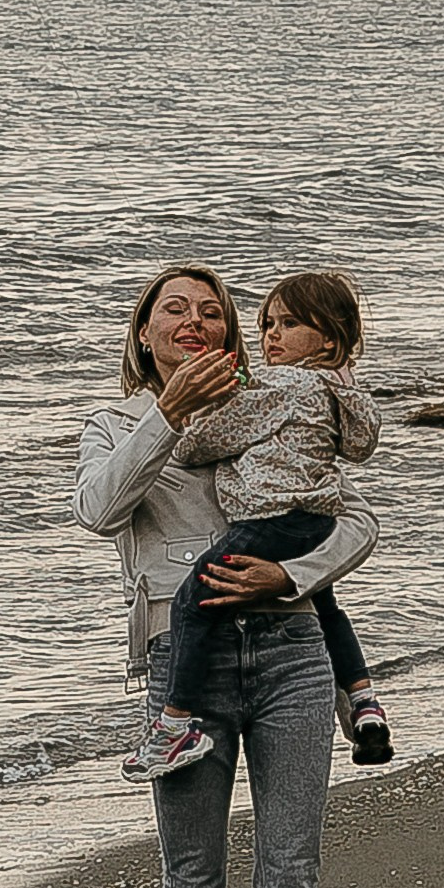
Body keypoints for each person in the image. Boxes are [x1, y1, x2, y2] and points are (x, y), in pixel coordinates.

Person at [75, 267, 379, 888]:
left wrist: (292, 574)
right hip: (186, 664)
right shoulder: (118, 425)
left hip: (289, 650)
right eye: (177, 309)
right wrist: (168, 414)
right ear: (144, 333)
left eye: (214, 312)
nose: (196, 320)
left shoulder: (276, 402)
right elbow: (98, 508)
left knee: (289, 878)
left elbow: (353, 516)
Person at [135, 269, 393, 779]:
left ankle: (174, 722)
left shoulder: (279, 384)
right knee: (327, 607)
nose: (272, 335)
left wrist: (189, 413)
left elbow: (195, 447)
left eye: (289, 323)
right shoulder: (339, 388)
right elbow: (361, 446)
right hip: (314, 519)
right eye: (268, 323)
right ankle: (363, 701)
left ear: (329, 336)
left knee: (194, 599)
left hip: (269, 518)